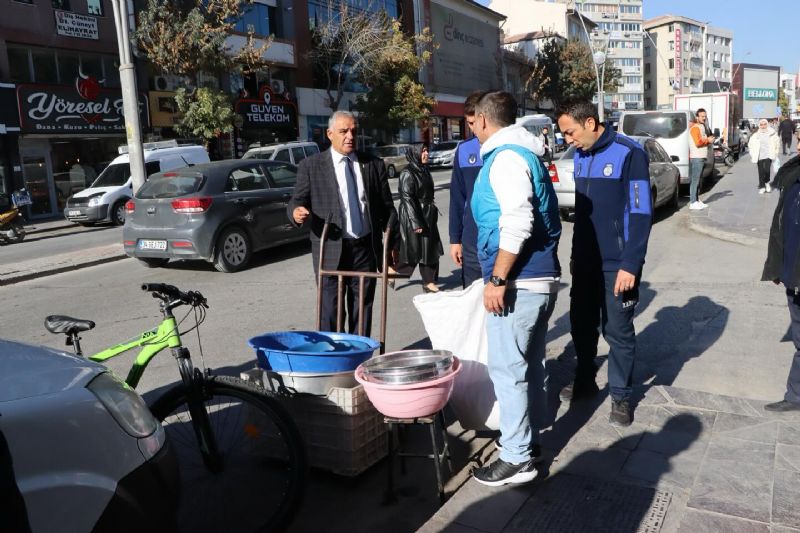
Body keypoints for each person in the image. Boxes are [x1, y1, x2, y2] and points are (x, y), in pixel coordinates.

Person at [469, 91, 561, 486]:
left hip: (519, 283)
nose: (471, 129)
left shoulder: (505, 159)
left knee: (508, 370)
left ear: (485, 122)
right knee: (529, 365)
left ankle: (516, 457)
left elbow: (518, 221)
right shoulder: (525, 154)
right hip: (538, 281)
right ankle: (529, 440)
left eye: (472, 122)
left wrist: (498, 280)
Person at [556, 99, 653, 427]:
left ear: (590, 123)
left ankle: (622, 396)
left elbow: (640, 213)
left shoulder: (629, 153)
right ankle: (585, 380)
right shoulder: (581, 156)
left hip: (617, 262)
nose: (567, 140)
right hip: (584, 261)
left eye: (570, 132)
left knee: (618, 331)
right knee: (581, 326)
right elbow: (582, 218)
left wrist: (632, 263)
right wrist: (573, 256)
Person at [287, 111, 396, 336]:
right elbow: (296, 201)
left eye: (354, 131)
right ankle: (334, 360)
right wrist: (296, 213)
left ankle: (359, 361)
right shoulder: (311, 166)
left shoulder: (373, 165)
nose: (350, 136)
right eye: (343, 131)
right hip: (330, 250)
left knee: (362, 311)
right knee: (330, 313)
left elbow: (388, 210)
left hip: (364, 249)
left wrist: (392, 246)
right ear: (330, 134)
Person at [762, 153, 800, 412]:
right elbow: (781, 224)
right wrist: (776, 266)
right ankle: (796, 395)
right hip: (793, 275)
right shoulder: (792, 175)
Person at [449, 91, 486, 288]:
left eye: (475, 123)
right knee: (472, 304)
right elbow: (457, 198)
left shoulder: (507, 149)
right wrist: (455, 239)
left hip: (501, 241)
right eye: (468, 124)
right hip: (471, 240)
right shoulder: (464, 150)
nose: (473, 129)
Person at [395, 144, 443, 293]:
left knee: (430, 248)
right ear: (415, 153)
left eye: (426, 150)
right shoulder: (407, 173)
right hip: (414, 215)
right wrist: (416, 222)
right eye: (423, 151)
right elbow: (407, 199)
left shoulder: (424, 169)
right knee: (417, 251)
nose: (426, 153)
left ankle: (428, 281)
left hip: (427, 214)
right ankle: (427, 281)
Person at [688, 108, 714, 210]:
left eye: (705, 116)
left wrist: (708, 139)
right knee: (695, 180)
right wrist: (708, 140)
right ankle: (693, 202)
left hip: (701, 157)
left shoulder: (701, 126)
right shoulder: (695, 128)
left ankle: (697, 200)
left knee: (698, 180)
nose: (704, 118)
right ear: (697, 117)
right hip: (696, 157)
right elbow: (698, 142)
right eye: (702, 116)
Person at [747, 118, 780, 194]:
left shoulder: (772, 133)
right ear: (759, 125)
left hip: (769, 155)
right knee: (761, 172)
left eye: (765, 124)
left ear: (767, 124)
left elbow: (777, 143)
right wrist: (752, 154)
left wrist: (776, 152)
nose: (763, 126)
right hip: (759, 156)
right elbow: (750, 145)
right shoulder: (756, 135)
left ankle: (767, 183)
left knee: (767, 170)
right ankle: (762, 187)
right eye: (761, 125)